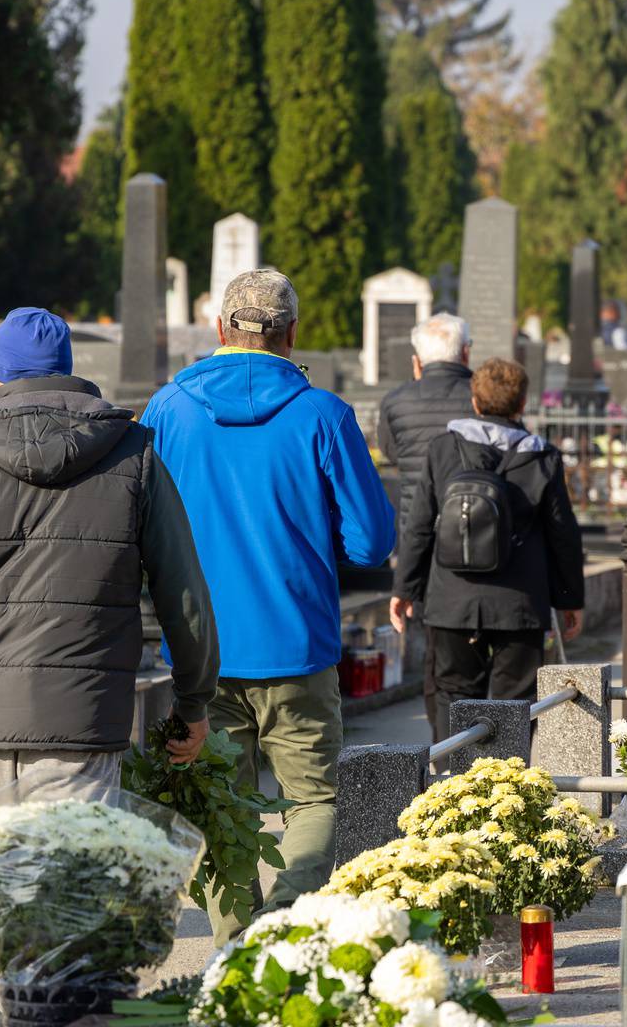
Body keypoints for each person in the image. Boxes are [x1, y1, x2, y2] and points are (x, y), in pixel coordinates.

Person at [142, 269, 395, 941]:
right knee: (312, 801)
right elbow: (372, 542)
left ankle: (233, 944)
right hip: (295, 645)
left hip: (201, 655)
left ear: (221, 329)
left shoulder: (168, 410)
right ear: (291, 334)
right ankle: (283, 924)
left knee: (220, 809)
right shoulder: (324, 415)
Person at [0, 310, 216, 825]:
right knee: (70, 888)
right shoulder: (133, 454)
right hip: (84, 711)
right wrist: (193, 700)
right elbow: (182, 591)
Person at [395, 358, 584, 741]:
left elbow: (419, 525)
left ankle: (454, 784)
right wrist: (569, 600)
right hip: (520, 603)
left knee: (452, 694)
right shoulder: (543, 456)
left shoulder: (443, 448)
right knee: (516, 704)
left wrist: (405, 589)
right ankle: (507, 791)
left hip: (452, 598)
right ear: (523, 403)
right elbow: (562, 533)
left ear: (475, 400)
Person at [379, 315, 473, 743]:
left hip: (424, 539)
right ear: (466, 354)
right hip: (479, 535)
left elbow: (392, 452)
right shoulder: (480, 398)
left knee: (439, 655)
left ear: (417, 363)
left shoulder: (397, 402)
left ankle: (446, 743)